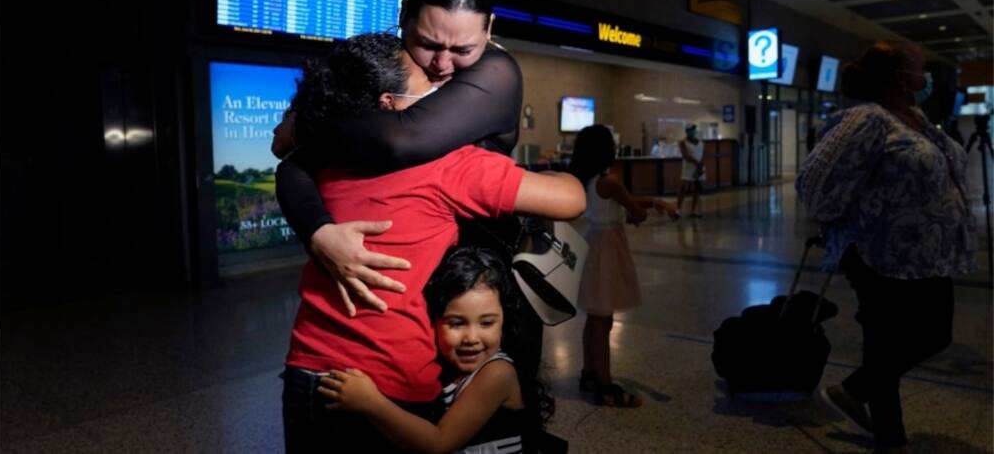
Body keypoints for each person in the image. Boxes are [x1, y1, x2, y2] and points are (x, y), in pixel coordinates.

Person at [281, 32, 585, 453]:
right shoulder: (448, 166)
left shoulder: (327, 158)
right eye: (426, 80)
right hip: (387, 384)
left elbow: (287, 158)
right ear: (391, 105)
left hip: (306, 373)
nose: (441, 86)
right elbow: (572, 199)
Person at [274, 0, 521, 316]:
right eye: (428, 43)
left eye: (463, 49)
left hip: (472, 294)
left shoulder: (497, 74)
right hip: (390, 299)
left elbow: (399, 140)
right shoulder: (382, 67)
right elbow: (292, 163)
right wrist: (319, 233)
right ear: (404, 13)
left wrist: (312, 116)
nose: (442, 64)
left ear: (489, 29)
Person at [796, 41, 976, 454]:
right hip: (879, 253)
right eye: (920, 68)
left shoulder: (915, 117)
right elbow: (815, 181)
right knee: (884, 342)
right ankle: (891, 440)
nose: (926, 76)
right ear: (899, 77)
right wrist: (844, 220)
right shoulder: (866, 119)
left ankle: (853, 391)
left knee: (935, 334)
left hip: (927, 255)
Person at [319, 247, 552, 453]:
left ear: (504, 321)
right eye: (457, 323)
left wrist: (371, 402)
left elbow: (438, 443)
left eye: (487, 323)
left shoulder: (497, 373)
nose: (471, 338)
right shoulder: (442, 366)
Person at [568, 125, 675, 408]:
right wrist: (642, 211)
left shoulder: (590, 179)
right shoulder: (610, 180)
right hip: (607, 248)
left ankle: (589, 374)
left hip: (595, 242)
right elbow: (631, 208)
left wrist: (654, 203)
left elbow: (622, 202)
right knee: (603, 320)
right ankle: (605, 387)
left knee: (595, 315)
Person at [676, 124, 705, 218]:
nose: (692, 131)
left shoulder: (700, 142)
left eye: (693, 130)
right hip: (688, 167)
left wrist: (700, 166)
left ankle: (693, 211)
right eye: (690, 130)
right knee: (683, 188)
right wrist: (697, 163)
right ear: (687, 131)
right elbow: (685, 155)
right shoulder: (682, 142)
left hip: (699, 167)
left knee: (696, 188)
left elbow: (703, 155)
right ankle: (678, 210)